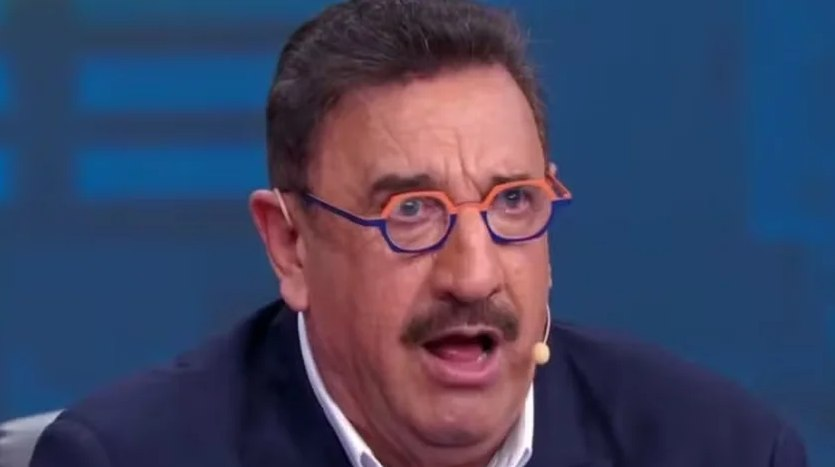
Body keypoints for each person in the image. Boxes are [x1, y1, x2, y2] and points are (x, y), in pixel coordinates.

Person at [30, 1, 807, 466]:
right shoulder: (127, 458)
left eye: (511, 202)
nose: (473, 275)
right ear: (290, 246)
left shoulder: (725, 450)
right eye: (411, 211)